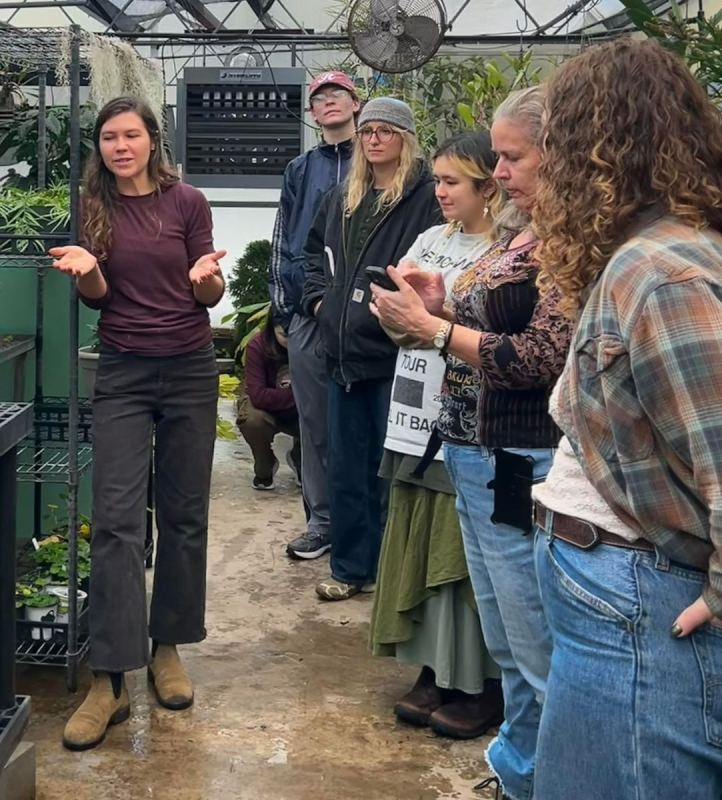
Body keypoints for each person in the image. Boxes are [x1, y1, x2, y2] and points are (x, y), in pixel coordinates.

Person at [528, 39, 722, 799]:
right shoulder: (651, 250)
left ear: (592, 147)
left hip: (643, 606)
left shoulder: (663, 272)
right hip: (618, 598)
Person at [370, 86, 573, 800]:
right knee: (508, 639)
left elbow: (535, 359)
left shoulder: (575, 240)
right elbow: (493, 325)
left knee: (535, 636)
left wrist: (433, 331)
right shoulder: (523, 227)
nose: (503, 170)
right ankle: (519, 770)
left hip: (518, 456)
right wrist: (441, 304)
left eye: (513, 157)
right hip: (466, 446)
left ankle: (557, 775)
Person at [48, 96, 224, 752]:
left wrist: (205, 279)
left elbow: (207, 294)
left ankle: (167, 648)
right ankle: (109, 680)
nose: (120, 146)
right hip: (121, 370)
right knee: (116, 521)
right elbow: (94, 294)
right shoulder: (92, 206)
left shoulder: (188, 204)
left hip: (188, 370)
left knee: (183, 512)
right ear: (99, 147)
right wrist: (90, 275)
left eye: (131, 134)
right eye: (108, 137)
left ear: (153, 139)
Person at [368, 131, 503, 739]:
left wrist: (429, 321)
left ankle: (477, 679)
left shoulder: (510, 248)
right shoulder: (431, 240)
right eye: (439, 180)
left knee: (463, 546)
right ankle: (433, 665)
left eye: (452, 182)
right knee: (420, 534)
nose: (440, 191)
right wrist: (399, 317)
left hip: (474, 420)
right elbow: (407, 326)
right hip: (416, 409)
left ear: (488, 185)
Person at [301, 96, 441, 601]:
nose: (375, 138)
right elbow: (311, 256)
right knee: (346, 467)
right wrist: (320, 305)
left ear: (405, 138)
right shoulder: (343, 196)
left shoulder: (424, 196)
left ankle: (394, 576)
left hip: (395, 356)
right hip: (342, 354)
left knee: (393, 471)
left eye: (387, 130)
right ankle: (350, 569)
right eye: (368, 131)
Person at [269, 71, 360, 560]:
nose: (328, 102)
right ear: (311, 113)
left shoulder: (375, 161)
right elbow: (283, 237)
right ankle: (321, 522)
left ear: (355, 103)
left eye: (337, 94)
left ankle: (366, 524)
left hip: (366, 317)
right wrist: (283, 306)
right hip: (307, 311)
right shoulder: (300, 169)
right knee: (314, 422)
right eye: (319, 98)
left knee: (365, 419)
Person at [236, 307, 300, 490]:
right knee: (252, 420)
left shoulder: (311, 344)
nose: (289, 339)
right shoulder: (258, 345)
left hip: (301, 411)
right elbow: (258, 395)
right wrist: (297, 396)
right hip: (267, 409)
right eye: (283, 334)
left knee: (322, 413)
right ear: (272, 328)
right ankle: (265, 466)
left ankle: (301, 460)